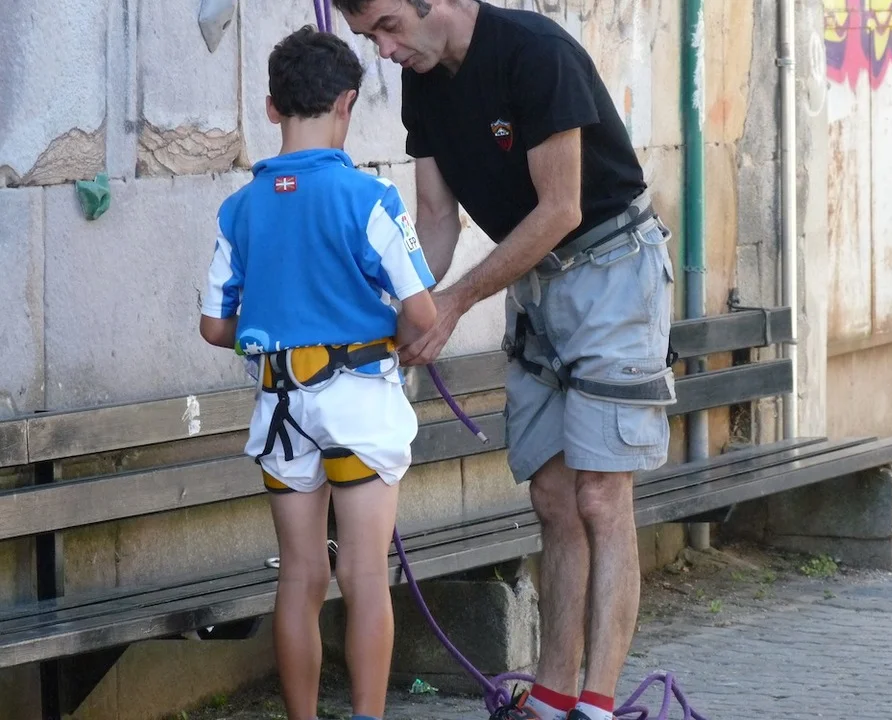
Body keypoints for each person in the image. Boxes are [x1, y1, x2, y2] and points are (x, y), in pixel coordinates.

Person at [335, 2, 678, 719]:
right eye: (371, 37)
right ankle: (552, 696)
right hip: (534, 286)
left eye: (389, 26)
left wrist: (456, 302)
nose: (384, 51)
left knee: (599, 495)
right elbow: (435, 220)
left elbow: (560, 208)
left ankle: (598, 706)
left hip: (613, 270)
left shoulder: (534, 52)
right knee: (552, 496)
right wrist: (400, 311)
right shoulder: (422, 81)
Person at [198, 26, 437, 720]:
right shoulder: (370, 198)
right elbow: (421, 311)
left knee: (300, 575)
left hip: (280, 406)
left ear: (271, 108)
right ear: (347, 103)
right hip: (358, 401)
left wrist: (270, 329)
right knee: (363, 574)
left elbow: (215, 326)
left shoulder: (239, 209)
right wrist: (391, 338)